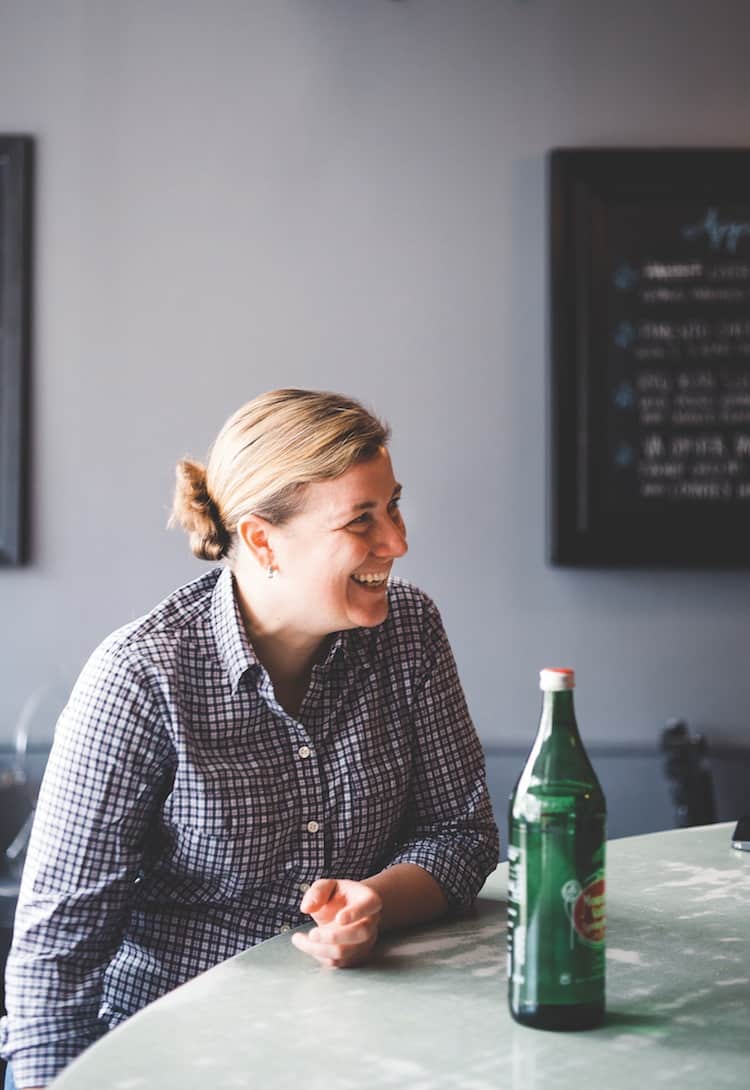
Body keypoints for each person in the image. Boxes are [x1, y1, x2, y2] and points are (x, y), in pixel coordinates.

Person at [0, 389, 499, 1088]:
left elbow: (461, 834)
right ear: (263, 539)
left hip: (369, 1043)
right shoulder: (142, 678)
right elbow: (56, 957)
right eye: (363, 519)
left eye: (393, 506)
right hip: (175, 1056)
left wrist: (376, 901)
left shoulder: (409, 632)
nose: (399, 542)